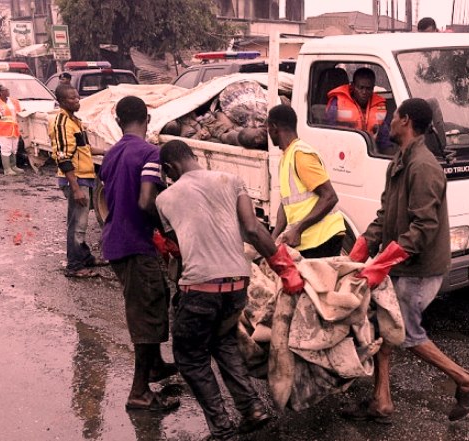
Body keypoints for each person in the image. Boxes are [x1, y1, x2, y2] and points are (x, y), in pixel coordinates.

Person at [343, 98, 469, 423]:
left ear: (406, 121)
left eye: (393, 117)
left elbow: (424, 227)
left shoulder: (423, 166)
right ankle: (381, 402)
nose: (389, 122)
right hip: (403, 265)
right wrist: (362, 248)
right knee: (386, 330)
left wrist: (382, 262)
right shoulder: (399, 161)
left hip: (420, 270)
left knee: (405, 333)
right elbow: (385, 215)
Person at [156, 139, 304, 441]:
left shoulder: (165, 198)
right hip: (238, 285)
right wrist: (283, 268)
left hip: (200, 289)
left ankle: (222, 428)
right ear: (193, 156)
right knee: (222, 342)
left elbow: (180, 250)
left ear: (170, 168)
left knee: (191, 357)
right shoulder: (232, 180)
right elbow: (252, 229)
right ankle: (251, 409)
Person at [99, 96, 180, 412]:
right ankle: (139, 392)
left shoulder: (112, 153)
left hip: (115, 241)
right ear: (148, 118)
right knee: (145, 313)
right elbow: (147, 201)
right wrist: (167, 232)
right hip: (135, 243)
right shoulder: (149, 153)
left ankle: (156, 365)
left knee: (153, 297)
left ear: (119, 122)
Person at [268, 104, 346, 258]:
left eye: (268, 129)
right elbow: (286, 203)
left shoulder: (301, 155)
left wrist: (298, 229)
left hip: (324, 238)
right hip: (310, 240)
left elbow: (329, 197)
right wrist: (273, 238)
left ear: (275, 127)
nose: (268, 134)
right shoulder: (286, 157)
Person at [49, 84, 108, 278]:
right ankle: (74, 266)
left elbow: (85, 148)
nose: (77, 101)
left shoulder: (75, 121)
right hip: (76, 179)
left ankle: (85, 257)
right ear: (62, 102)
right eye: (72, 99)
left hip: (86, 177)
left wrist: (107, 152)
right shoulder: (62, 124)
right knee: (77, 225)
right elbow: (63, 157)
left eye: (77, 97)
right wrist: (75, 188)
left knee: (80, 222)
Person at [325, 68, 391, 149]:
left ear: (373, 88)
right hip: (344, 149)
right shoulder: (337, 104)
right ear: (353, 86)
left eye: (368, 88)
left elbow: (385, 139)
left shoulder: (379, 107)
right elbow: (329, 134)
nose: (364, 92)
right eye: (361, 88)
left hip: (372, 151)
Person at [0, 84, 24, 175]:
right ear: (1, 92)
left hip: (15, 129)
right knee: (6, 149)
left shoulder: (14, 102)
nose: (8, 91)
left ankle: (13, 166)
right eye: (6, 90)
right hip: (3, 130)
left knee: (14, 148)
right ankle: (7, 169)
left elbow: (19, 113)